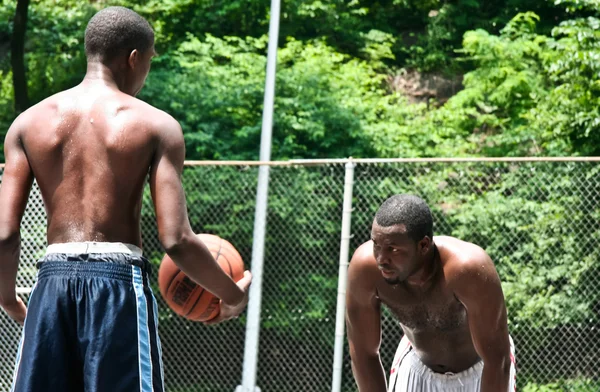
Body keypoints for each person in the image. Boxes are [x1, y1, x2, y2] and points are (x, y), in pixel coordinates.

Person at [0, 6, 252, 392]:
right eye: (148, 62)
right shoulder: (156, 125)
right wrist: (232, 296)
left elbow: (3, 235)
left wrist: (7, 298)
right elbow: (177, 240)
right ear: (133, 59)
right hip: (116, 285)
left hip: (49, 285)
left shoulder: (27, 123)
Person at [346, 194, 516, 392]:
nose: (381, 259)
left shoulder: (468, 270)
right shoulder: (365, 270)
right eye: (376, 245)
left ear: (423, 245)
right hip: (417, 366)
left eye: (393, 249)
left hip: (483, 370)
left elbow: (497, 360)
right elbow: (363, 353)